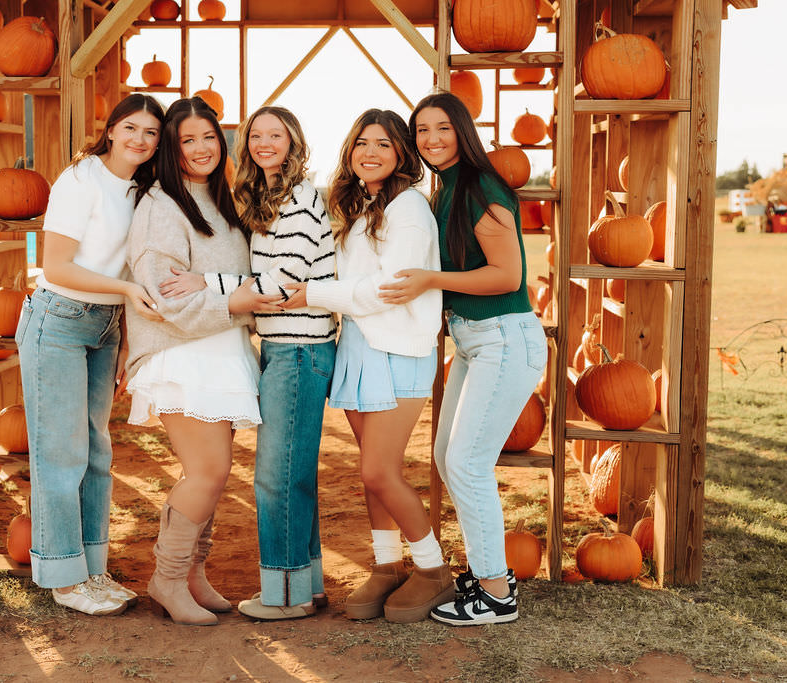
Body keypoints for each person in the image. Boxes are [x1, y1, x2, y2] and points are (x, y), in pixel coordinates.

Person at [159, 106, 337, 621]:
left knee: (276, 476)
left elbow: (282, 286)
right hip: (287, 347)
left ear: (293, 140)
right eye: (255, 135)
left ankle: (285, 596)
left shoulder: (300, 200)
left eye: (275, 134)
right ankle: (307, 584)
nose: (263, 143)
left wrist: (203, 283)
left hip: (299, 348)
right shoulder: (267, 198)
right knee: (293, 472)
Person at [379, 92, 548, 625]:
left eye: (442, 129)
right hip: (474, 340)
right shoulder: (444, 189)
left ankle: (496, 593)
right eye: (421, 130)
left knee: (466, 463)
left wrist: (431, 280)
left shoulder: (481, 185)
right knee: (448, 458)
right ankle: (486, 571)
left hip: (504, 336)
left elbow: (508, 275)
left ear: (462, 131)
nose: (431, 139)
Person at [283, 109, 453, 623]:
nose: (371, 152)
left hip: (398, 348)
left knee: (377, 468)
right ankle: (386, 565)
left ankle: (433, 570)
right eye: (362, 142)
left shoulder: (407, 210)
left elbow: (389, 290)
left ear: (402, 152)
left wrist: (310, 294)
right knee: (375, 474)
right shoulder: (365, 206)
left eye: (383, 143)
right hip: (358, 345)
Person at [124, 97, 282, 626]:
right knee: (207, 471)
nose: (200, 149)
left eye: (208, 137)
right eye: (186, 140)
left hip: (222, 351)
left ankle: (192, 573)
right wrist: (237, 301)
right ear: (170, 148)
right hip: (183, 353)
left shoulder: (223, 200)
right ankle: (166, 578)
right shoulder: (161, 205)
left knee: (214, 472)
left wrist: (235, 297)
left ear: (223, 141)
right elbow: (165, 295)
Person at [16, 93, 165, 616]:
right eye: (131, 127)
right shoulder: (81, 179)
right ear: (111, 129)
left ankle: (93, 569)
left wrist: (124, 336)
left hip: (103, 327)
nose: (140, 139)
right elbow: (56, 266)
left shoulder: (145, 189)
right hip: (58, 320)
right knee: (62, 454)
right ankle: (62, 574)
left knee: (98, 450)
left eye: (150, 131)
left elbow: (129, 269)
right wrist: (124, 297)